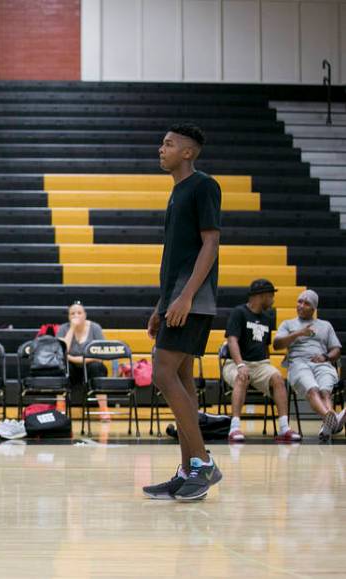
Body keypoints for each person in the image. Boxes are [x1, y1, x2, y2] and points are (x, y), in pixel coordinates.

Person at [142, 123, 223, 501]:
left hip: (193, 300)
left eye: (169, 143)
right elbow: (176, 259)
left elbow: (210, 245)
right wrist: (162, 305)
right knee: (183, 380)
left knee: (161, 371)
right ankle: (188, 469)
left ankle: (203, 464)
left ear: (188, 152)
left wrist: (186, 297)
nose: (161, 148)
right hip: (175, 299)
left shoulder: (204, 185)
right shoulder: (177, 192)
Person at [222, 279, 301, 443]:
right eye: (271, 295)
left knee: (278, 378)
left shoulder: (267, 317)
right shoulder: (239, 312)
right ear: (262, 295)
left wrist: (267, 369)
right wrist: (241, 364)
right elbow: (232, 340)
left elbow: (265, 348)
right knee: (241, 376)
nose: (273, 299)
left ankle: (284, 428)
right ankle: (235, 427)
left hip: (260, 365)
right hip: (235, 362)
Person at [273, 289, 346, 441]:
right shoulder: (288, 324)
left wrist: (325, 356)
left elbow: (337, 350)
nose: (300, 305)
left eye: (306, 303)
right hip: (299, 364)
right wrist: (298, 333)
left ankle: (327, 425)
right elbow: (277, 344)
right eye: (299, 301)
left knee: (325, 391)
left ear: (314, 308)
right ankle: (331, 419)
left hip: (321, 363)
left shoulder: (325, 325)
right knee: (313, 389)